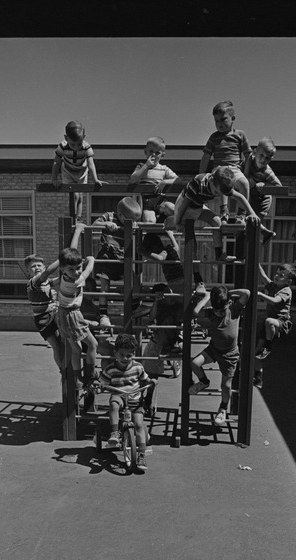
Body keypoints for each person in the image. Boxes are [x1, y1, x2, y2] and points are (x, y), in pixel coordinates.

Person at [167, 165, 259, 263]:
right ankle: (195, 272)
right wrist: (177, 221)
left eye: (219, 194)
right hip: (184, 208)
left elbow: (240, 197)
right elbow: (183, 204)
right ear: (212, 182)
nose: (217, 195)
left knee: (217, 222)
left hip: (198, 206)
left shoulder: (221, 186)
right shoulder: (198, 183)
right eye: (216, 192)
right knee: (190, 238)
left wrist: (252, 213)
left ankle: (219, 254)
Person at [189, 285, 251, 427]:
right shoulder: (211, 313)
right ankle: (204, 382)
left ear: (228, 303)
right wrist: (206, 297)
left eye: (221, 310)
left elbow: (246, 292)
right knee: (194, 363)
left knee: (226, 385)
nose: (218, 313)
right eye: (216, 310)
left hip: (230, 354)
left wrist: (229, 293)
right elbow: (195, 311)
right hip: (214, 349)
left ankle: (223, 408)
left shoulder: (234, 310)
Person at [53, 224, 99, 389]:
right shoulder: (76, 281)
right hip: (72, 316)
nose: (77, 272)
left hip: (63, 314)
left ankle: (77, 379)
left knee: (76, 349)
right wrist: (91, 261)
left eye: (78, 267)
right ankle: (91, 375)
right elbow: (88, 271)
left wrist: (78, 231)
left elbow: (71, 250)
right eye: (71, 269)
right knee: (93, 345)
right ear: (63, 269)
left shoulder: (64, 275)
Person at [99, 333, 152, 471]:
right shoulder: (110, 369)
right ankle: (115, 433)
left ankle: (141, 455)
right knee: (114, 404)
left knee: (139, 424)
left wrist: (151, 382)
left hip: (135, 399)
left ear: (134, 354)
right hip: (120, 396)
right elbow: (102, 382)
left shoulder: (138, 367)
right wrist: (98, 386)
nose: (125, 358)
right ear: (115, 353)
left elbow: (146, 379)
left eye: (129, 355)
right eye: (121, 354)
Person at [92, 196, 142, 328]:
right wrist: (105, 224)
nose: (134, 222)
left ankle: (135, 307)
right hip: (107, 257)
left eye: (136, 220)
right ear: (120, 214)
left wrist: (134, 227)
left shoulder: (130, 224)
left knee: (135, 280)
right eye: (131, 220)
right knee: (104, 287)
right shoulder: (109, 216)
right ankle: (103, 314)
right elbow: (94, 224)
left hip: (121, 258)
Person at [199, 100, 252, 221]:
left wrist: (247, 174)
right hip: (219, 167)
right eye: (216, 121)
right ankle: (224, 212)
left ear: (233, 118)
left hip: (235, 169)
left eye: (223, 119)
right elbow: (206, 156)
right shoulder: (214, 137)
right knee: (222, 179)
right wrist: (201, 175)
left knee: (245, 184)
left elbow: (248, 155)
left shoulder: (240, 135)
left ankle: (242, 214)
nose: (219, 124)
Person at [253, 262, 296, 389]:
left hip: (282, 323)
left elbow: (274, 301)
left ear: (288, 281)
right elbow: (263, 276)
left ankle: (268, 345)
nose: (277, 276)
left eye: (281, 275)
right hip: (270, 326)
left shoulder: (286, 290)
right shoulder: (273, 286)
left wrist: (261, 295)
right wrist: (257, 263)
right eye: (277, 273)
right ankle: (258, 378)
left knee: (269, 321)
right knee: (257, 353)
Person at [51, 120, 102, 223]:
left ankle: (78, 218)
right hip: (68, 170)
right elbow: (56, 162)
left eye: (78, 144)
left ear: (84, 137)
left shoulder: (86, 147)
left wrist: (95, 179)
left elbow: (91, 164)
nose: (76, 147)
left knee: (80, 196)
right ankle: (73, 218)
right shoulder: (62, 146)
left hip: (81, 171)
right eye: (73, 144)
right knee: (74, 195)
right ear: (66, 138)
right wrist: (54, 178)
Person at [24, 253, 64, 372]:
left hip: (54, 313)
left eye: (39, 265)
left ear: (44, 266)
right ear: (28, 272)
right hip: (43, 319)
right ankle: (62, 369)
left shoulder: (48, 282)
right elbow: (46, 274)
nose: (37, 268)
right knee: (55, 346)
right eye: (33, 266)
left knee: (63, 342)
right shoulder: (33, 283)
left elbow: (60, 280)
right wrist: (61, 260)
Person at [242, 137, 283, 245]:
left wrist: (265, 185)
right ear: (255, 152)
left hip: (263, 200)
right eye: (261, 155)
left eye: (267, 158)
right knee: (248, 222)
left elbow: (279, 188)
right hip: (252, 197)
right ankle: (266, 233)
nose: (263, 160)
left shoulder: (267, 172)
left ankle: (252, 256)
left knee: (253, 225)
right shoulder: (247, 161)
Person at [129, 137, 178, 223]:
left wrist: (165, 182)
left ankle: (162, 219)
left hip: (160, 200)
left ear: (162, 155)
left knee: (173, 209)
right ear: (145, 152)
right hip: (146, 201)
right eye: (151, 151)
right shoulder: (141, 166)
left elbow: (178, 180)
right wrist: (146, 166)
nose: (154, 155)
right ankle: (156, 221)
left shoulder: (164, 169)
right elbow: (133, 179)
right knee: (150, 221)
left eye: (157, 153)